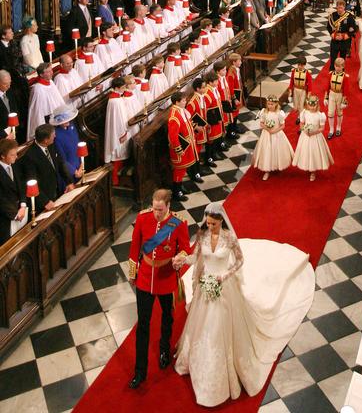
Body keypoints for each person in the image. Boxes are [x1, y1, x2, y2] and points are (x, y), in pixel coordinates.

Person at [173, 203, 314, 406]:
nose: (210, 226)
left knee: (220, 328)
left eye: (213, 223)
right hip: (206, 287)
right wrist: (182, 259)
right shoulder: (203, 235)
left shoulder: (229, 238)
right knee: (202, 327)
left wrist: (225, 276)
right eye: (208, 223)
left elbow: (240, 261)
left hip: (224, 286)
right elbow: (196, 257)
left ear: (221, 221)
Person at [127, 188, 190, 389]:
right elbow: (135, 247)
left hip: (166, 278)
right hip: (145, 278)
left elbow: (185, 248)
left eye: (161, 210)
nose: (157, 213)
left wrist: (180, 258)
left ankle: (164, 350)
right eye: (154, 209)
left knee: (167, 317)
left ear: (169, 206)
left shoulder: (178, 224)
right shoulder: (143, 218)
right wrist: (132, 273)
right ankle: (140, 371)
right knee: (143, 325)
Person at [21, 123, 74, 214]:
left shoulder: (51, 145)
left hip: (57, 192)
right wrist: (44, 201)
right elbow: (32, 182)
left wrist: (69, 182)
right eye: (53, 135)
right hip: (45, 201)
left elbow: (60, 164)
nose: (55, 136)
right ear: (45, 140)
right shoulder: (30, 157)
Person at [168, 90, 200, 202]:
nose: (185, 102)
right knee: (179, 170)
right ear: (177, 102)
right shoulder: (174, 116)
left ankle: (180, 187)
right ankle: (177, 192)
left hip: (187, 146)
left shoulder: (181, 111)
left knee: (183, 169)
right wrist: (178, 149)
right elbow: (173, 136)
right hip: (181, 149)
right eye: (183, 100)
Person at [292, 93, 333, 181]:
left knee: (314, 152)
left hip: (316, 136)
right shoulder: (304, 113)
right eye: (310, 105)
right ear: (308, 105)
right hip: (306, 135)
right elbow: (301, 124)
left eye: (314, 106)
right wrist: (304, 130)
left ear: (317, 105)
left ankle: (313, 171)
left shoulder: (320, 115)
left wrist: (314, 132)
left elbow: (322, 128)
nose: (312, 107)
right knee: (306, 152)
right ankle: (307, 165)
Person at [251, 95, 293, 180]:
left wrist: (274, 130)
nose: (270, 106)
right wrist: (267, 128)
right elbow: (261, 123)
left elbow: (283, 126)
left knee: (276, 150)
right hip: (266, 134)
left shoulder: (279, 113)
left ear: (276, 104)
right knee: (267, 151)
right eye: (268, 104)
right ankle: (267, 170)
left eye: (272, 104)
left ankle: (277, 164)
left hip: (276, 134)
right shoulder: (264, 112)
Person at [27, 62, 67, 140]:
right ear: (41, 75)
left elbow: (58, 100)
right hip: (48, 122)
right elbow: (38, 111)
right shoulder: (37, 89)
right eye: (48, 71)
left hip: (58, 118)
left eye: (51, 70)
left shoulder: (51, 82)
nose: (51, 73)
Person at [0, 137, 27, 245]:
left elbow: (20, 186)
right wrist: (16, 214)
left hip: (20, 211)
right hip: (6, 220)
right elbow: (1, 200)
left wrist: (23, 205)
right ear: (2, 156)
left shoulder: (14, 164)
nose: (16, 156)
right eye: (12, 154)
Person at [51, 108, 84, 182]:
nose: (67, 121)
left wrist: (82, 165)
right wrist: (75, 172)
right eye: (64, 120)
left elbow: (79, 146)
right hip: (69, 172)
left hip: (80, 166)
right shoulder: (56, 135)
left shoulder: (72, 127)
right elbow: (62, 159)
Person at [327, 0, 357, 69]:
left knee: (342, 61)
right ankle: (332, 75)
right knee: (333, 60)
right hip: (335, 41)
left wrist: (346, 36)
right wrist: (333, 35)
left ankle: (341, 76)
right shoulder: (332, 16)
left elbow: (354, 28)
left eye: (341, 7)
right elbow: (328, 27)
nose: (340, 9)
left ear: (344, 7)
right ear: (336, 7)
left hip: (344, 42)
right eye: (338, 7)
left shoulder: (349, 16)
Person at [326, 55, 348, 140]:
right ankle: (331, 129)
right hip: (332, 94)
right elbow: (327, 86)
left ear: (343, 67)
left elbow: (346, 90)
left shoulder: (345, 77)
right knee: (330, 113)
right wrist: (326, 97)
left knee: (339, 112)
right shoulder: (331, 74)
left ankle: (338, 127)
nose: (338, 68)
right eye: (336, 66)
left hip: (340, 95)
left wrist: (344, 101)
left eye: (340, 66)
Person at [288, 53, 313, 124]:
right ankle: (300, 115)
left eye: (301, 65)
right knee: (296, 106)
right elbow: (291, 82)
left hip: (303, 91)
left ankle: (301, 118)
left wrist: (309, 94)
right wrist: (290, 94)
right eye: (298, 65)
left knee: (302, 105)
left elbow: (310, 84)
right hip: (295, 90)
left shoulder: (307, 73)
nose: (299, 66)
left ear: (304, 65)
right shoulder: (294, 71)